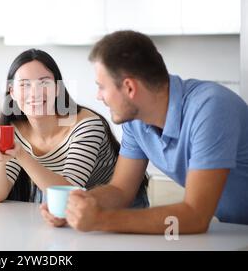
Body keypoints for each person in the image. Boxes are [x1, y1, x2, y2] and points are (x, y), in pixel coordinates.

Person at [59, 30, 248, 234]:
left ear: (129, 88)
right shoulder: (135, 121)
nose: (99, 96)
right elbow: (121, 190)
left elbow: (195, 216)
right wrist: (78, 205)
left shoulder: (211, 108)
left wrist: (101, 219)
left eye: (102, 87)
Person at [0, 48, 148, 209]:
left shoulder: (86, 126)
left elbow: (69, 191)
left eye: (44, 82)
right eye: (24, 84)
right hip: (75, 209)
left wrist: (21, 154)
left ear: (57, 88)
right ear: (12, 92)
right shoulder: (13, 130)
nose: (35, 93)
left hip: (120, 206)